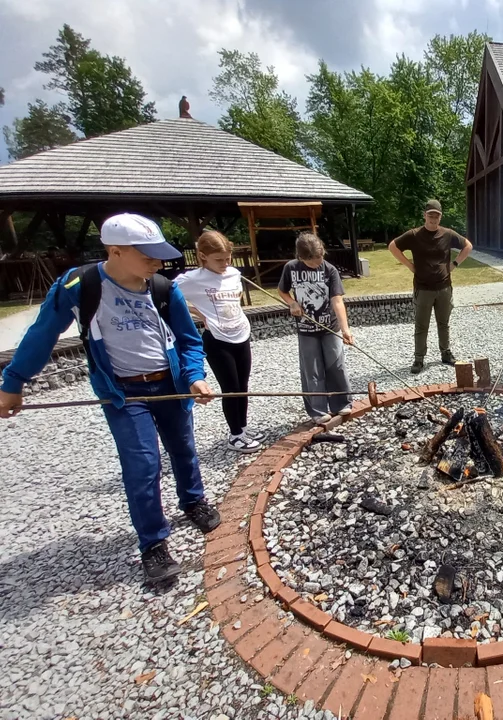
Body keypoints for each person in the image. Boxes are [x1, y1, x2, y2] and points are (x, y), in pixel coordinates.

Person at [0, 213, 220, 585]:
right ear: (115, 251)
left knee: (183, 448)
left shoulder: (165, 288)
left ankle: (193, 500)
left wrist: (195, 377)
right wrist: (13, 381)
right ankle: (153, 543)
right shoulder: (78, 285)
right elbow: (42, 334)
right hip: (123, 392)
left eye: (159, 255)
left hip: (169, 384)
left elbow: (189, 340)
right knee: (143, 466)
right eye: (147, 255)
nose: (157, 262)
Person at [174, 230, 263, 453]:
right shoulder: (191, 279)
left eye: (227, 258)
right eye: (219, 259)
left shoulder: (233, 273)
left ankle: (242, 427)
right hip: (217, 339)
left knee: (243, 386)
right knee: (230, 387)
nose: (225, 263)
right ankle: (235, 436)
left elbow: (237, 297)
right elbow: (167, 295)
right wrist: (197, 313)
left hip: (241, 333)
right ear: (203, 256)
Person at [389, 199, 474, 374]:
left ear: (440, 217)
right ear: (425, 215)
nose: (433, 219)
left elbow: (468, 246)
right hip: (423, 288)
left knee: (444, 323)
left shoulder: (448, 234)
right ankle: (419, 359)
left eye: (436, 216)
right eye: (430, 216)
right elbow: (393, 246)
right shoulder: (414, 235)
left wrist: (455, 264)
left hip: (444, 287)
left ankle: (446, 353)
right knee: (421, 326)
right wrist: (409, 265)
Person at [278, 233, 354, 425]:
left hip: (330, 327)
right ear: (301, 257)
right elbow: (282, 290)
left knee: (336, 365)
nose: (317, 262)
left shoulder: (330, 270)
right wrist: (292, 303)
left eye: (319, 257)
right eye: (311, 260)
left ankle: (341, 403)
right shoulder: (291, 268)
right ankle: (318, 410)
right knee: (312, 370)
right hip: (306, 329)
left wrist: (345, 329)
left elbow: (337, 300)